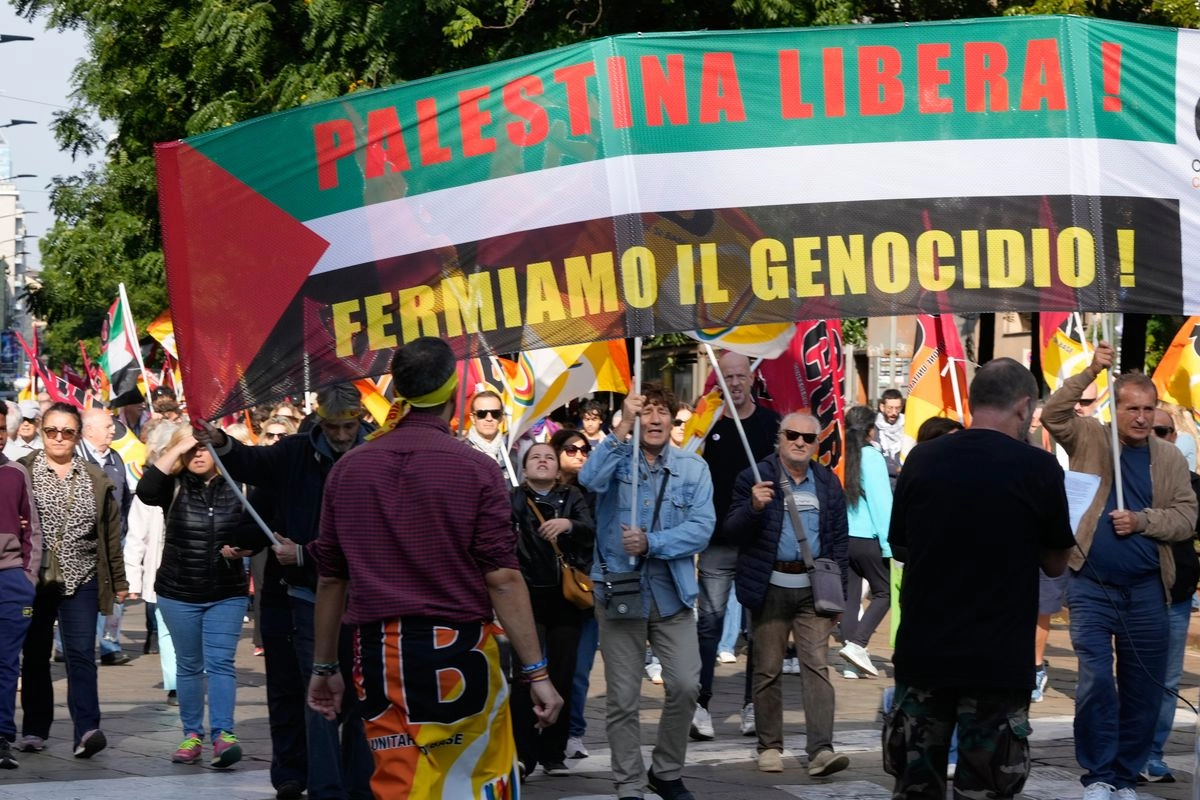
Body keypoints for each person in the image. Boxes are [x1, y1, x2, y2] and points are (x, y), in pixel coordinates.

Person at [307, 337, 562, 798]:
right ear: (453, 393)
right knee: (478, 777)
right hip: (459, 651)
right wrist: (537, 674)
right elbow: (503, 580)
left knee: (399, 781)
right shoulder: (476, 469)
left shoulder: (349, 470)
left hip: (381, 654)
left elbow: (331, 578)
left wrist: (324, 665)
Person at [887, 359, 1076, 800]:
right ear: (1024, 406)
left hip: (925, 652)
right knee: (986, 788)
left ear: (974, 402)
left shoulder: (922, 458)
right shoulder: (1039, 468)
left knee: (915, 787)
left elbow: (900, 547)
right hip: (997, 660)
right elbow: (1055, 565)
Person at [195, 383, 374, 800]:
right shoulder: (295, 452)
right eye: (333, 427)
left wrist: (305, 554)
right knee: (319, 688)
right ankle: (326, 787)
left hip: (365, 598)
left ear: (360, 418)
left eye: (349, 427)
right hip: (308, 597)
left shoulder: (378, 452)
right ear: (319, 420)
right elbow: (252, 463)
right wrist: (219, 440)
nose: (342, 436)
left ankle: (360, 784)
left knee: (362, 696)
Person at [1044, 343, 1197, 800]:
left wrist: (1143, 521)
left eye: (1149, 409)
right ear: (1116, 407)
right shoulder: (1091, 437)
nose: (1142, 418)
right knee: (1095, 681)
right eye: (1133, 408)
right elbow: (1053, 414)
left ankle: (1125, 776)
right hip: (1091, 585)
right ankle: (1098, 774)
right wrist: (1092, 369)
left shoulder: (1169, 458)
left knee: (1143, 687)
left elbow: (1186, 517)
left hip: (1147, 589)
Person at [579, 383, 715, 800]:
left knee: (686, 686)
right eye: (646, 412)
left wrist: (652, 542)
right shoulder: (616, 457)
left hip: (673, 595)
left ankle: (666, 771)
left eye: (662, 412)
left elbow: (702, 528)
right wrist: (621, 425)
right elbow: (588, 478)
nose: (654, 419)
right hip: (620, 592)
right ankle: (630, 784)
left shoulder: (693, 468)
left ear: (673, 420)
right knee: (623, 698)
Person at [725, 412, 851, 777]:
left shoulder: (827, 482)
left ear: (816, 444)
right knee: (767, 669)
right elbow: (732, 531)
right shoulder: (754, 476)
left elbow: (839, 542)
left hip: (813, 591)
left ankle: (821, 750)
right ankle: (769, 746)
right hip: (769, 588)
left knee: (817, 667)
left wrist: (840, 596)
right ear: (779, 438)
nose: (799, 442)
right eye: (792, 435)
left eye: (808, 438)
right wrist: (753, 507)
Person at [136, 426, 252, 768]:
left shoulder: (240, 484)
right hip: (179, 591)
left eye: (204, 448)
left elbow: (259, 527)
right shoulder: (172, 485)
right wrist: (178, 446)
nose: (197, 454)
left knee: (220, 663)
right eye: (190, 449)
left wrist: (246, 547)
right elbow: (145, 490)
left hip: (226, 592)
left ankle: (224, 734)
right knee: (188, 665)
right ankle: (191, 735)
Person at [19, 402, 127, 758]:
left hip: (83, 578)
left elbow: (109, 535)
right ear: (42, 432)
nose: (59, 438)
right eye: (52, 430)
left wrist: (120, 580)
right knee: (35, 654)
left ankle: (87, 730)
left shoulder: (94, 477)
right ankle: (34, 729)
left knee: (81, 654)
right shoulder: (22, 472)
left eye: (67, 432)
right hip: (33, 580)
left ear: (77, 436)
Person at [694, 351, 779, 741]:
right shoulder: (707, 423)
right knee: (709, 623)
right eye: (727, 377)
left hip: (759, 541)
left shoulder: (770, 424)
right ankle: (701, 704)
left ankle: (751, 704)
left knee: (759, 627)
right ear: (719, 381)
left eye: (740, 375)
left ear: (752, 377)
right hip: (716, 541)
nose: (735, 383)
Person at [509, 442, 595, 778]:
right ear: (524, 467)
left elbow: (590, 530)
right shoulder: (513, 497)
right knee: (525, 674)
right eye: (535, 457)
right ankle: (522, 753)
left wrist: (568, 525)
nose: (543, 461)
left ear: (557, 468)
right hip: (525, 594)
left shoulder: (572, 496)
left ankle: (554, 751)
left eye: (548, 457)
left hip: (565, 595)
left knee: (563, 671)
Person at [1138, 409, 1200, 783]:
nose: (1155, 435)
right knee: (1133, 676)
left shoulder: (1194, 484)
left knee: (1168, 680)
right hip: (1134, 592)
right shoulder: (1127, 476)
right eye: (1150, 429)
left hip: (1177, 595)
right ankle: (1128, 750)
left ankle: (1152, 754)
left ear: (1175, 436)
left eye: (1163, 430)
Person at [549, 429, 599, 762]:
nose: (580, 454)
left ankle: (574, 731)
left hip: (584, 589)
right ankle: (543, 735)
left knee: (580, 669)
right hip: (547, 590)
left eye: (585, 449)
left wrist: (570, 525)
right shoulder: (533, 491)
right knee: (545, 668)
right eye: (571, 449)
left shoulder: (594, 492)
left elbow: (594, 532)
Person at [124, 421, 178, 706]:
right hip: (161, 571)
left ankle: (190, 674)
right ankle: (175, 684)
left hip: (194, 571)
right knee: (166, 628)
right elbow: (136, 536)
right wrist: (132, 578)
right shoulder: (148, 489)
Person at [838, 405, 893, 679]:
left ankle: (851, 663)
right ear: (870, 429)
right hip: (868, 537)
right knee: (886, 592)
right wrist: (889, 544)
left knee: (850, 598)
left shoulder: (841, 454)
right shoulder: (871, 457)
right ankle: (858, 645)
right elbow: (882, 504)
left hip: (844, 537)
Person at [78, 408, 134, 666]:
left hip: (114, 539)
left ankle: (110, 646)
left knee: (116, 592)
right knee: (79, 594)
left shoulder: (115, 458)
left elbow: (126, 499)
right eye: (108, 426)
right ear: (89, 430)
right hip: (83, 541)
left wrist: (124, 529)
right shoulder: (75, 456)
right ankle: (67, 645)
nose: (113, 431)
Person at [0, 449, 39, 769]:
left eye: (1, 428)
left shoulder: (15, 472)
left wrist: (27, 577)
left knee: (6, 662)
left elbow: (32, 529)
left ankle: (1, 735)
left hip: (11, 579)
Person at [464, 390, 512, 482]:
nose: (489, 418)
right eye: (482, 414)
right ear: (473, 418)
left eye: (495, 414)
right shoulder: (460, 452)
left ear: (501, 417)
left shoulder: (512, 454)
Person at [875, 388, 905, 461]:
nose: (894, 412)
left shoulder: (908, 426)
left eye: (897, 408)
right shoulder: (873, 428)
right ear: (882, 407)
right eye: (890, 408)